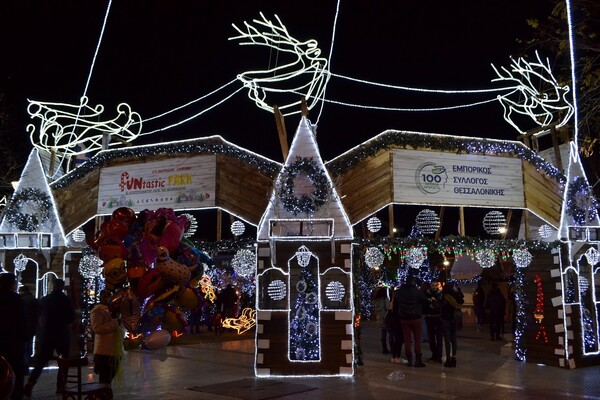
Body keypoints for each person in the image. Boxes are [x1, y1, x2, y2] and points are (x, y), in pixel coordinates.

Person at [24, 279, 75, 397]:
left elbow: (39, 316)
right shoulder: (66, 300)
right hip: (61, 334)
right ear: (62, 287)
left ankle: (31, 383)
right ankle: (61, 386)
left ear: (53, 286)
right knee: (64, 361)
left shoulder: (44, 299)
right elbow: (71, 318)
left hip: (46, 334)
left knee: (41, 361)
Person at [0, 273, 28, 400]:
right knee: (17, 372)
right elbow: (22, 322)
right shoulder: (16, 300)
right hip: (15, 343)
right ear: (12, 285)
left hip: (2, 343)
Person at [393, 276, 430, 367]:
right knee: (417, 339)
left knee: (407, 339)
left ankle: (409, 360)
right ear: (413, 282)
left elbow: (396, 302)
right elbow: (425, 301)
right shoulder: (417, 292)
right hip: (416, 318)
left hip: (404, 318)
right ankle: (418, 360)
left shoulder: (400, 292)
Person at [90, 290, 123, 384]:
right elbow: (97, 329)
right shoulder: (97, 310)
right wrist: (116, 323)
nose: (107, 298)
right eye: (104, 296)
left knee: (110, 377)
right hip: (104, 351)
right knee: (105, 379)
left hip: (116, 351)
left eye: (109, 296)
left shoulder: (116, 310)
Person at [440, 282, 464, 368]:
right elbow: (462, 301)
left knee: (447, 340)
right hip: (454, 320)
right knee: (454, 339)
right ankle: (454, 358)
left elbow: (441, 307)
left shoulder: (444, 295)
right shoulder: (456, 295)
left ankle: (448, 359)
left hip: (446, 320)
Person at [18, 285, 40, 371]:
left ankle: (24, 366)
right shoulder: (34, 300)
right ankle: (28, 363)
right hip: (32, 326)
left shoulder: (21, 300)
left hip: (22, 327)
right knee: (29, 345)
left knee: (23, 347)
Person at [423, 281, 443, 363]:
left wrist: (435, 302)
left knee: (439, 338)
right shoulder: (426, 293)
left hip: (438, 318)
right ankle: (434, 354)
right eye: (433, 285)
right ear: (430, 286)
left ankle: (438, 356)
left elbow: (441, 305)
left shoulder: (440, 294)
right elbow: (424, 303)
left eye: (436, 285)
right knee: (431, 338)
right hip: (429, 317)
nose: (434, 287)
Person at [372, 286, 391, 354]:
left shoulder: (376, 301)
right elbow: (388, 308)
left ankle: (384, 349)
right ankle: (392, 348)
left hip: (379, 319)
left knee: (383, 335)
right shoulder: (385, 300)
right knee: (390, 334)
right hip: (386, 318)